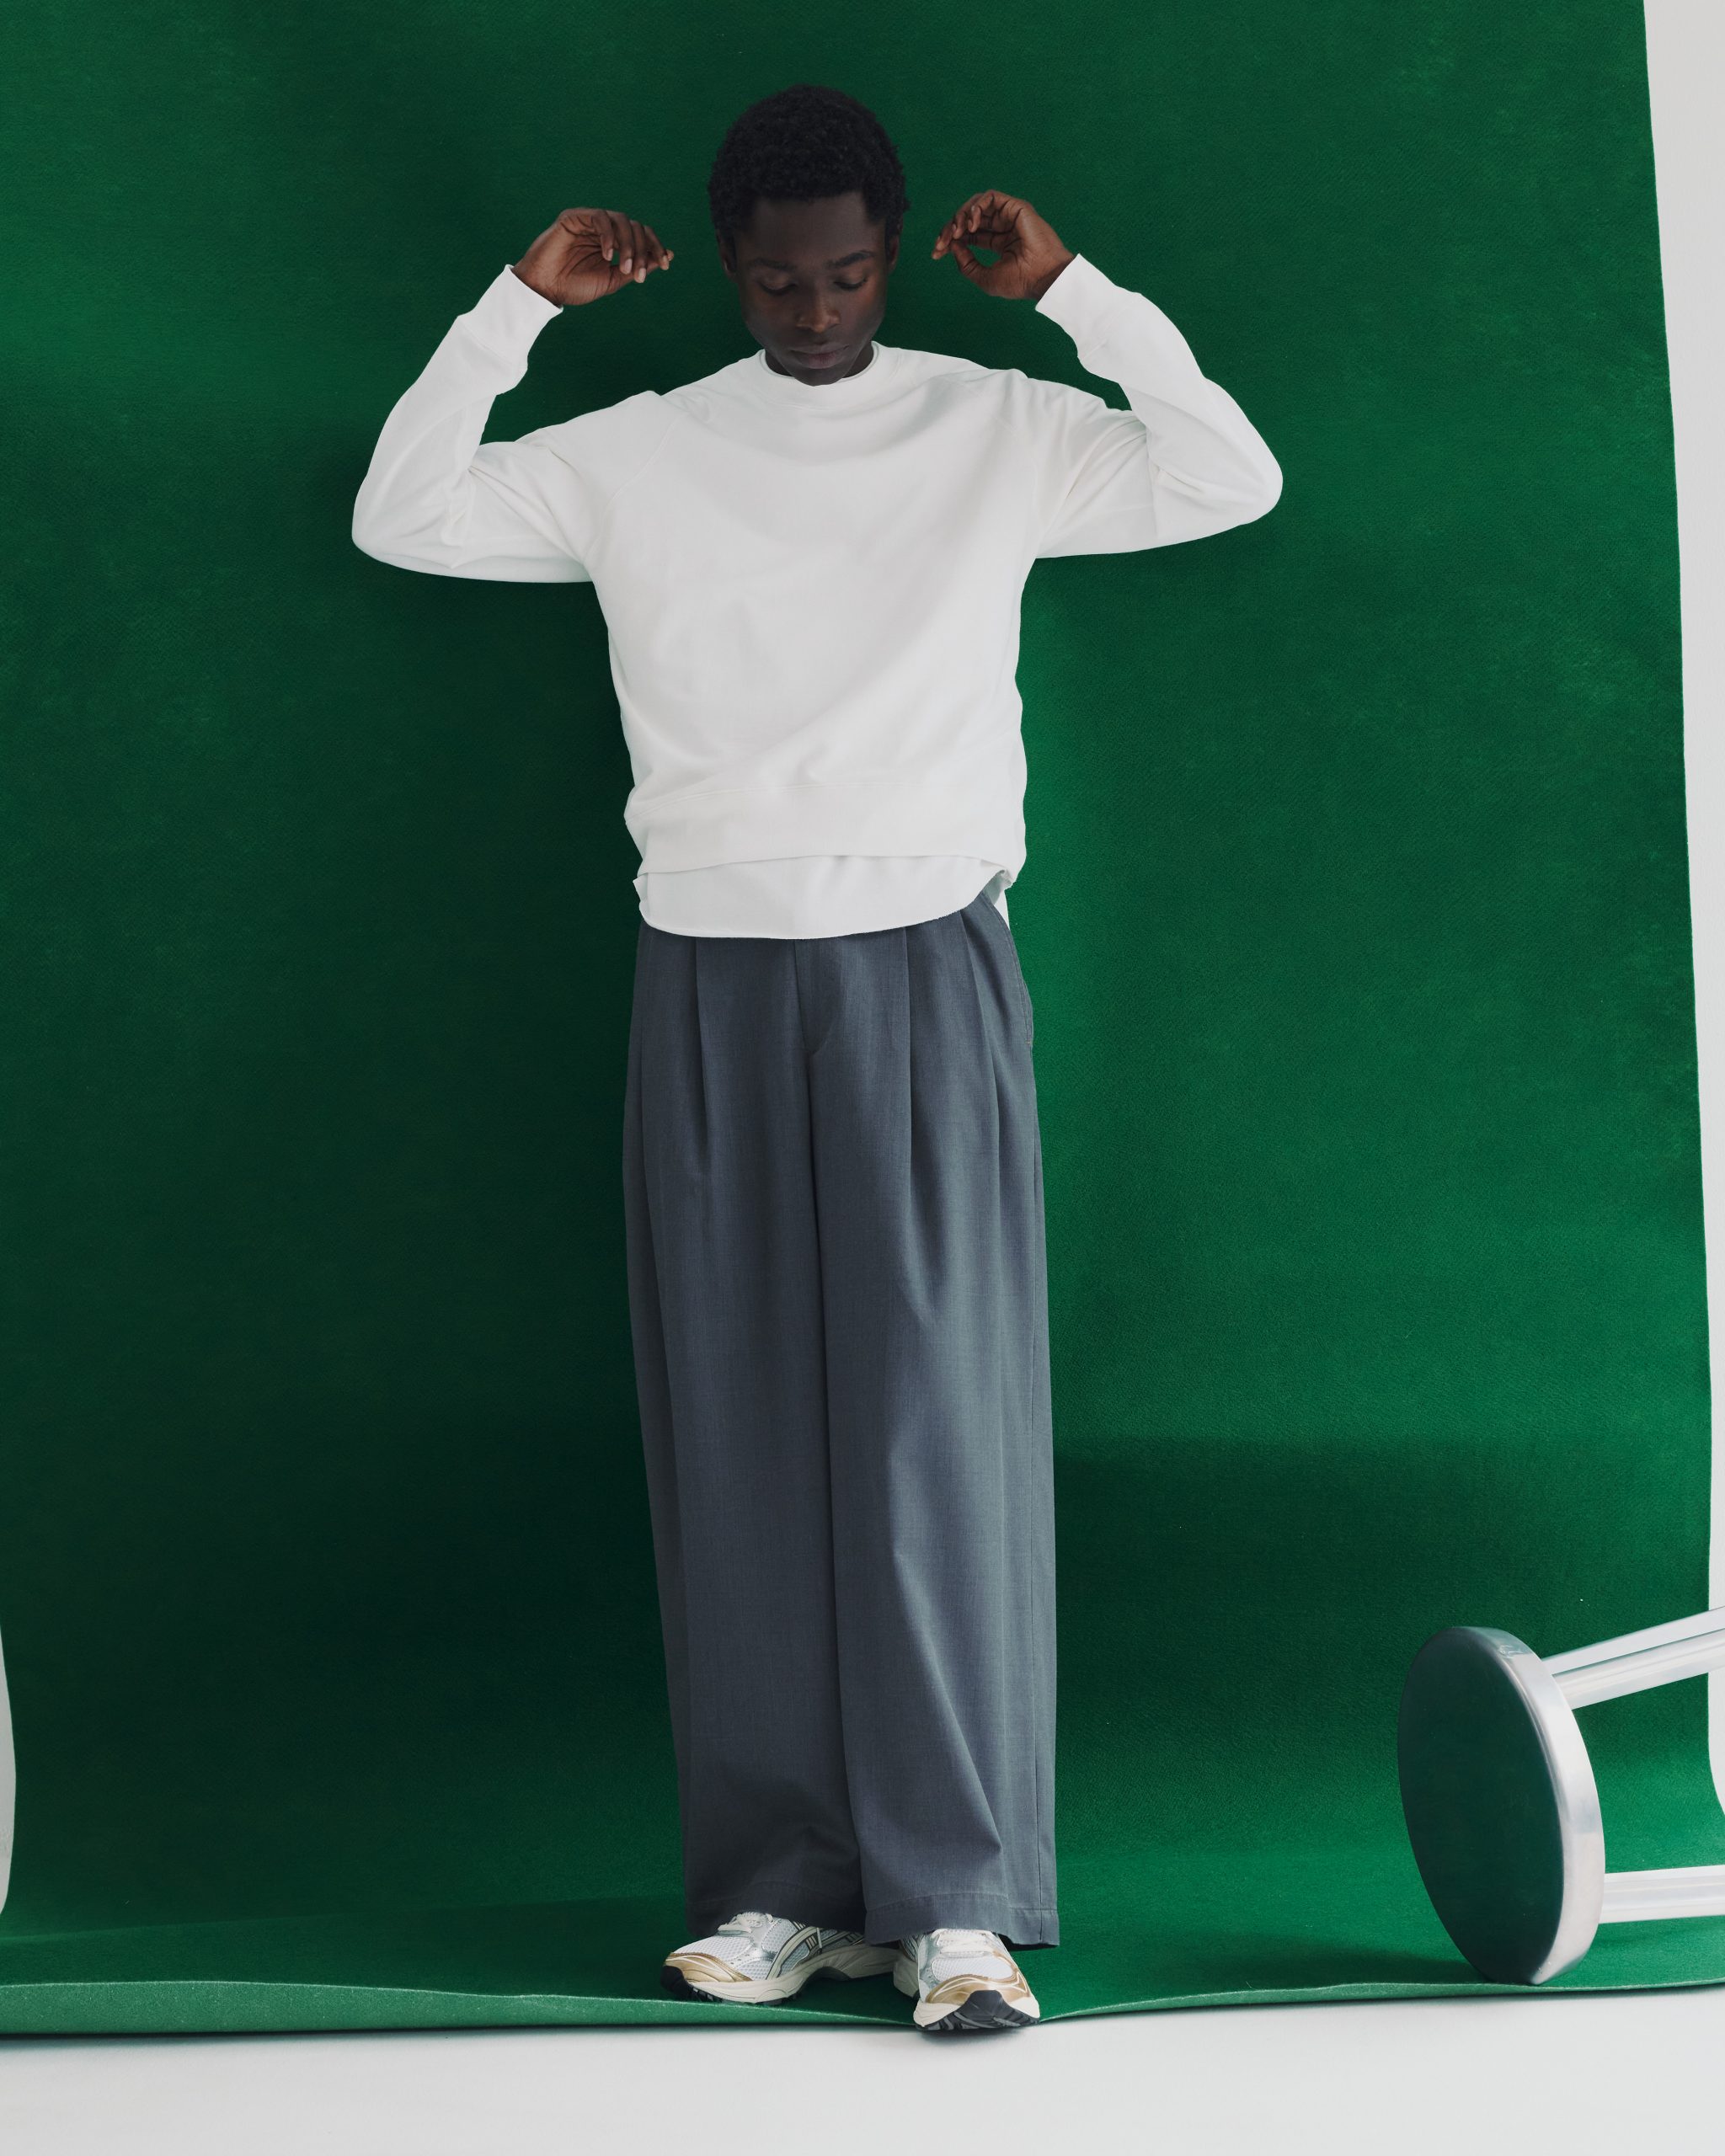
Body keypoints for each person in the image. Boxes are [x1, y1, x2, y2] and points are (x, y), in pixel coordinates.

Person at [352, 82, 1281, 2039]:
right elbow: (402, 514)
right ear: (728, 265)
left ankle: (955, 1901)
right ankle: (777, 1885)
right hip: (703, 964)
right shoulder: (639, 449)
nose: (816, 310)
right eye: (781, 280)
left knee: (932, 1425)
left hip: (922, 953)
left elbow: (1230, 476)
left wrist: (1076, 297)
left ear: (891, 253)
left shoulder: (996, 425)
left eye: (848, 274)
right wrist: (514, 309)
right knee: (742, 1432)